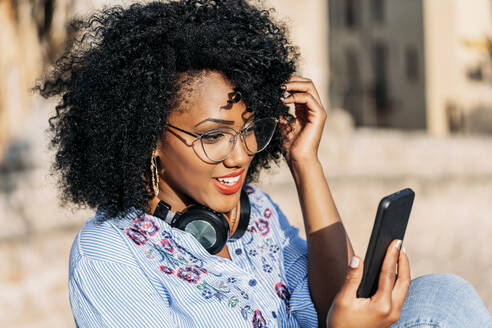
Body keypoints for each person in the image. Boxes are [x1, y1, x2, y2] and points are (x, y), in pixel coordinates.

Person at [35, 0, 492, 327]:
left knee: (443, 297)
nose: (240, 155)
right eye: (213, 136)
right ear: (148, 137)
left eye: (250, 129)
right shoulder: (109, 254)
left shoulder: (258, 213)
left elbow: (335, 302)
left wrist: (304, 161)